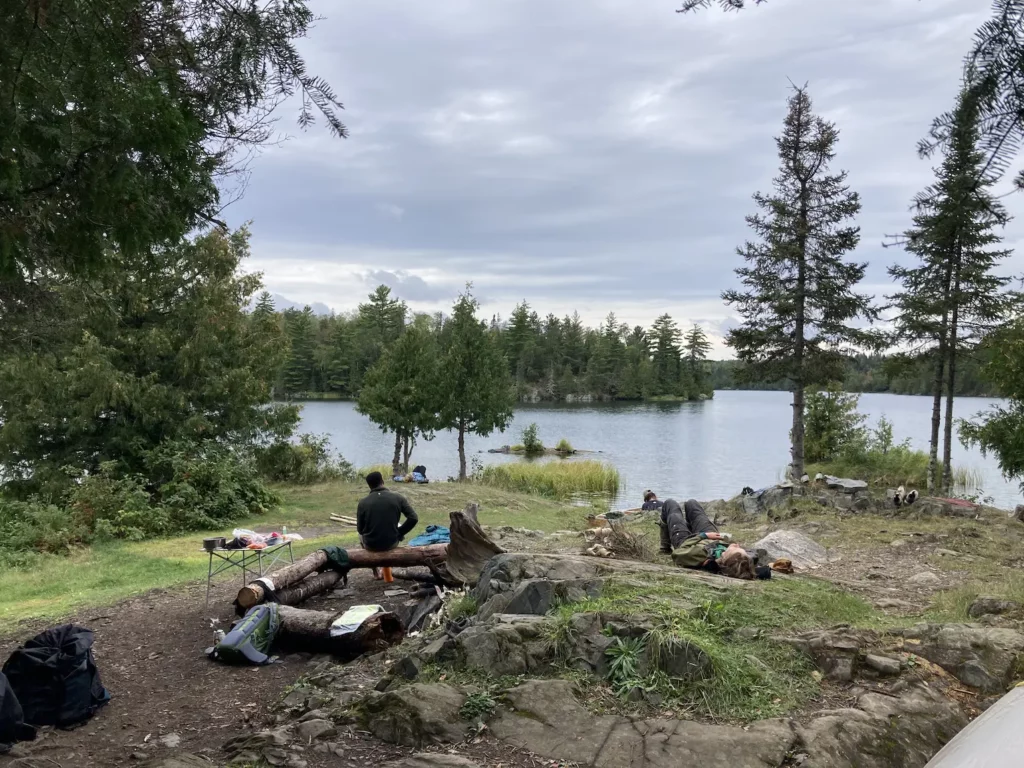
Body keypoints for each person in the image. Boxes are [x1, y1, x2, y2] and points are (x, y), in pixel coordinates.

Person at [659, 498, 764, 580]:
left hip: (688, 541)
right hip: (713, 538)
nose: (736, 545)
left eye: (734, 549)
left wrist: (703, 536)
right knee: (692, 504)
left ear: (724, 557)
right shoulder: (742, 562)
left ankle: (664, 547)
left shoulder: (701, 555)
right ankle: (689, 525)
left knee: (671, 505)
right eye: (740, 549)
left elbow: (678, 552)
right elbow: (761, 566)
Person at [356, 471, 419, 579]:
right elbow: (413, 518)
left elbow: (360, 530)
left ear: (369, 486)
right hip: (391, 543)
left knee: (360, 536)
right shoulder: (398, 498)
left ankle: (375, 570)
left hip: (371, 545)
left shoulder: (363, 503)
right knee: (395, 525)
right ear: (383, 482)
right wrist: (400, 533)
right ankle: (387, 573)